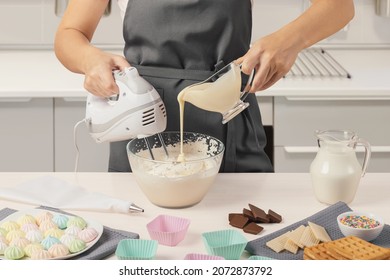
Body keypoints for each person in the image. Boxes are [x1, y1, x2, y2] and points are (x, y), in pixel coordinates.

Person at [54, 0, 355, 173]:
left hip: (228, 120)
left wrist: (288, 41)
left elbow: (339, 7)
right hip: (140, 124)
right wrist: (89, 59)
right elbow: (69, 33)